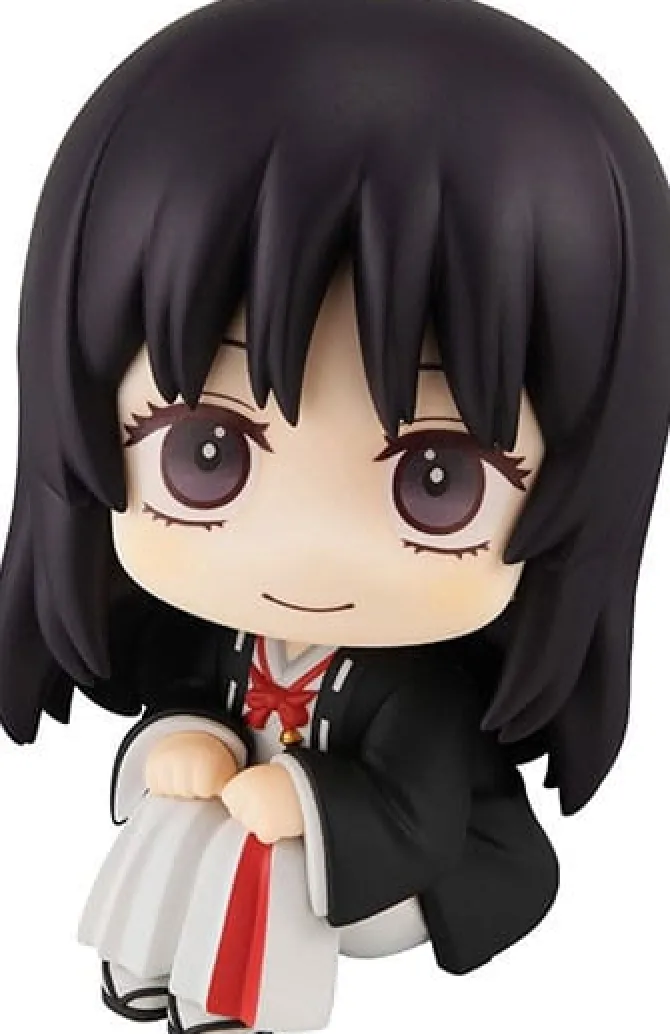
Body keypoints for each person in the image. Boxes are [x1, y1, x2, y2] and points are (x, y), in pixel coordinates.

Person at [1, 1, 668, 1032]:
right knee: (180, 810)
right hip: (262, 828)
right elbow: (187, 699)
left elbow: (419, 818)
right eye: (207, 452)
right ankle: (136, 961)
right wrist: (185, 737)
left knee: (268, 851)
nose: (308, 550)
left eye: (437, 479)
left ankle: (239, 1005)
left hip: (410, 875)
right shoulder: (220, 640)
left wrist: (306, 800)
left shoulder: (419, 696)